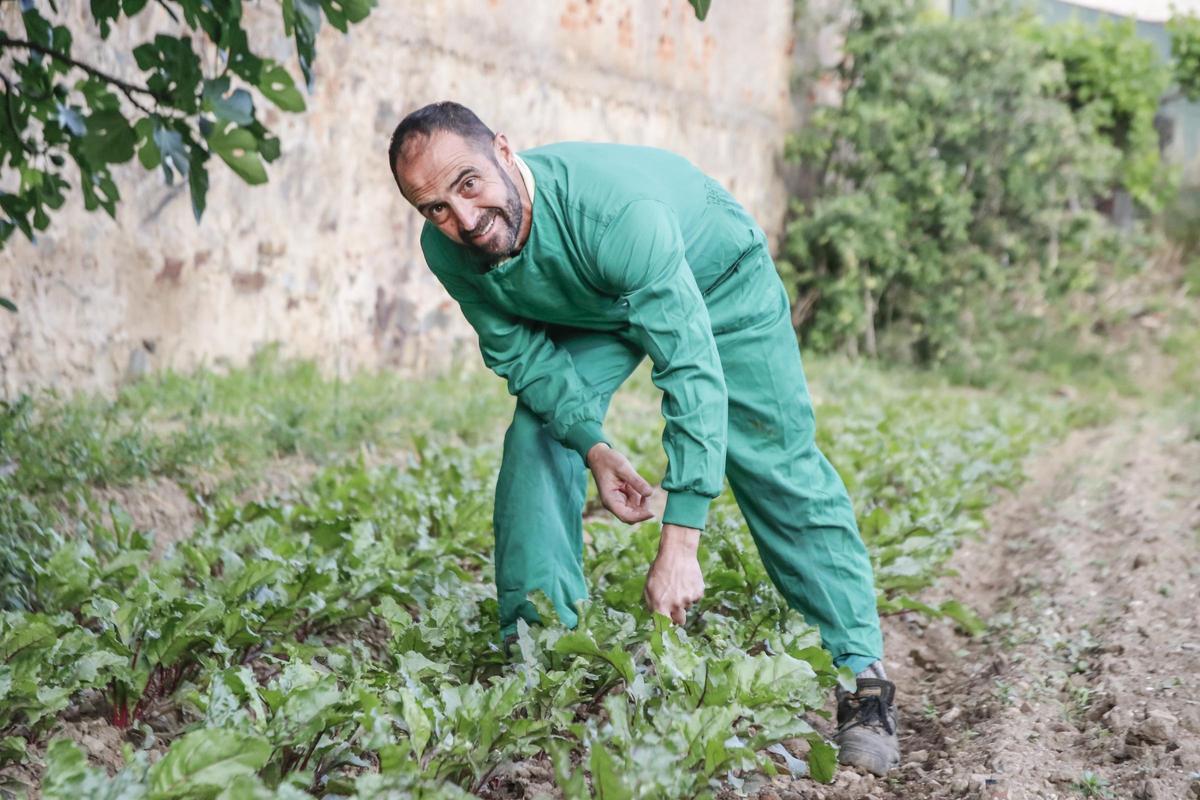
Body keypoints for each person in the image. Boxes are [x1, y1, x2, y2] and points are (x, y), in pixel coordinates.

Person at [387, 101, 899, 775]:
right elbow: (523, 357)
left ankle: (863, 678)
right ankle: (541, 656)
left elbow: (690, 369)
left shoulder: (617, 214)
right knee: (538, 435)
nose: (464, 219)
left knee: (773, 460)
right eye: (435, 208)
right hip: (600, 303)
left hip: (718, 283)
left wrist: (681, 540)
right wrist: (595, 447)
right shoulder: (447, 251)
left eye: (468, 183)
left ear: (504, 152)